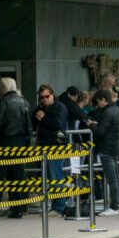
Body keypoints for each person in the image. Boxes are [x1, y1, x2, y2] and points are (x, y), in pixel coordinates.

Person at [0, 78, 32, 219]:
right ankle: (19, 207)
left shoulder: (3, 102)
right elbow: (28, 126)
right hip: (21, 144)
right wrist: (27, 144)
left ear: (4, 88)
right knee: (18, 176)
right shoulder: (24, 101)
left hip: (5, 143)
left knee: (0, 176)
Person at [32, 84, 69, 215]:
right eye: (42, 97)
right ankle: (56, 204)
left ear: (52, 95)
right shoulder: (42, 108)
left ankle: (59, 206)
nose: (44, 99)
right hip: (45, 145)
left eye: (47, 96)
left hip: (56, 146)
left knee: (56, 176)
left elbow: (58, 124)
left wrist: (44, 118)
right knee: (50, 177)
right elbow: (34, 123)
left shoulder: (59, 107)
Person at [88, 89, 119, 216]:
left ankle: (114, 206)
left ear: (103, 99)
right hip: (116, 146)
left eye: (99, 102)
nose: (98, 105)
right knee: (116, 177)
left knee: (111, 178)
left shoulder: (108, 112)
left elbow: (101, 132)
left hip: (106, 147)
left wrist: (92, 125)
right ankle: (116, 204)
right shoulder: (118, 110)